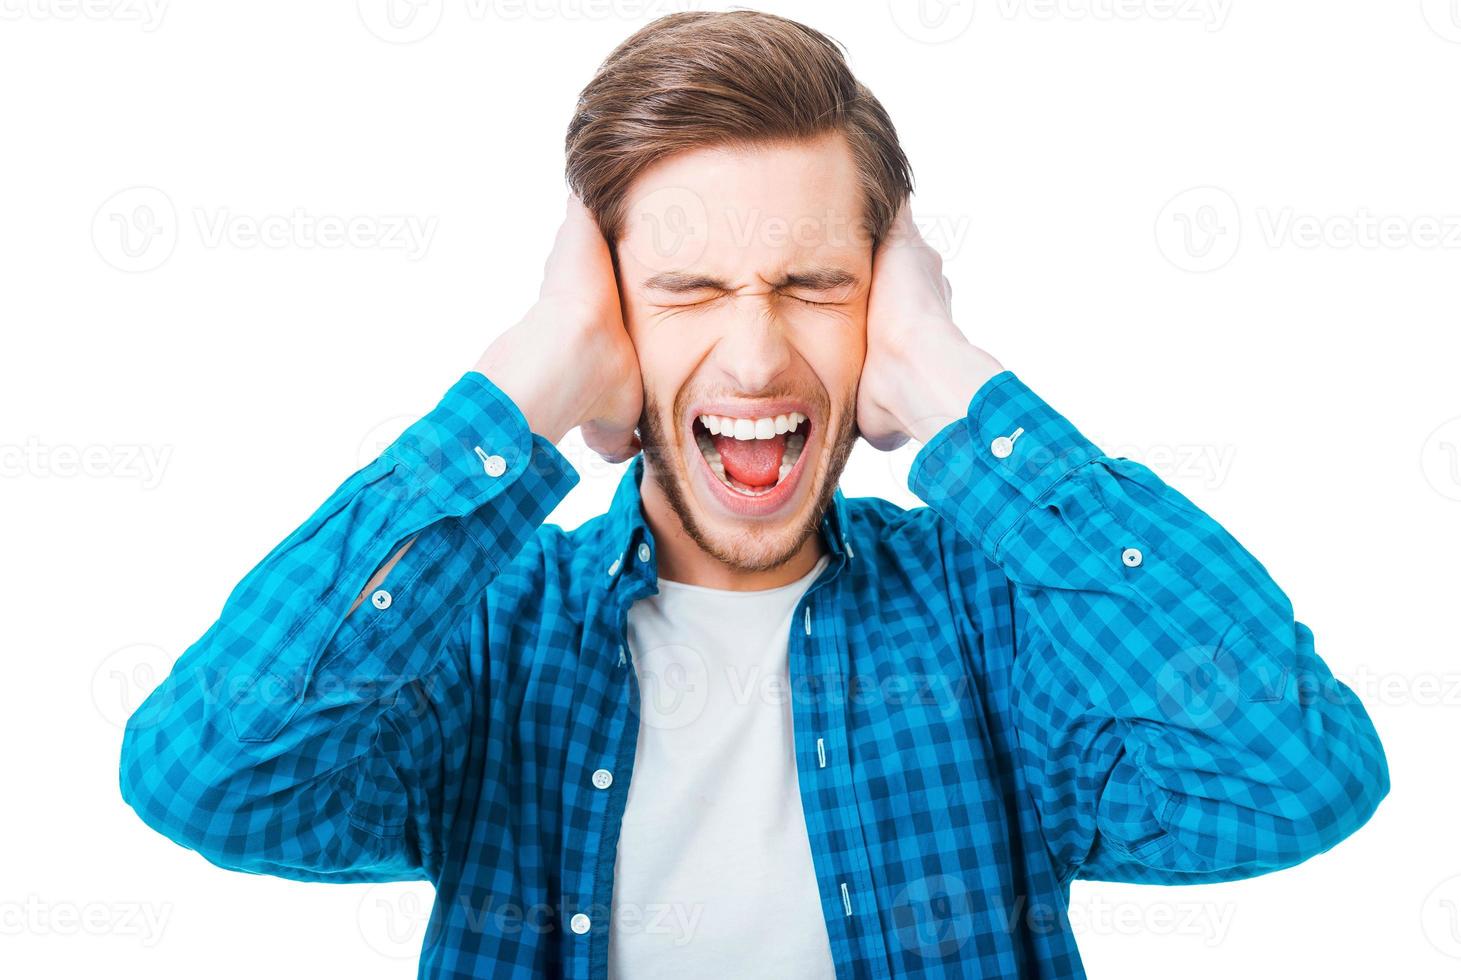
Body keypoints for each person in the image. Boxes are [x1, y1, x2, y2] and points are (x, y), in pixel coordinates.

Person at [119, 11, 1388, 979]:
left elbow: (1296, 774)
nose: (754, 355)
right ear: (606, 312)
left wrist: (959, 390)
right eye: (684, 289)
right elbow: (208, 773)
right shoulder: (491, 630)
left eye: (814, 284)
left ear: (885, 303)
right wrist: (517, 387)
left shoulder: (993, 620)